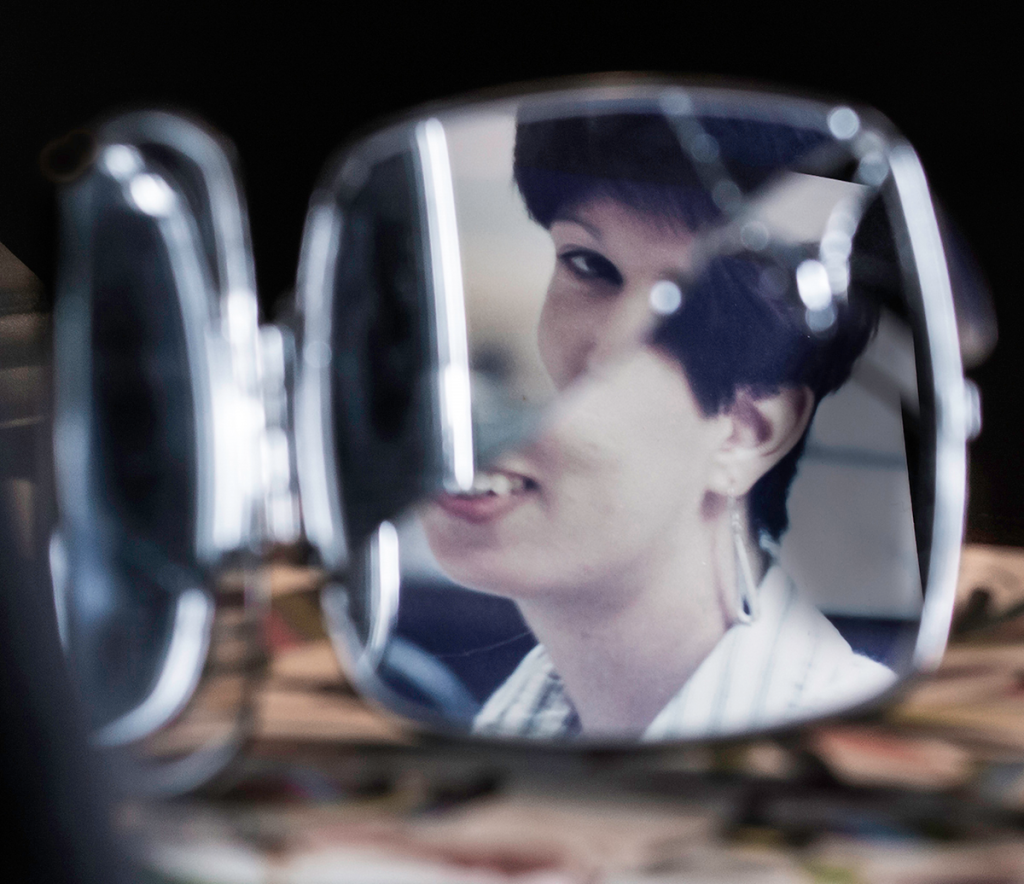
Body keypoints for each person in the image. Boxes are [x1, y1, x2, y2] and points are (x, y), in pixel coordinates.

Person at [420, 110, 896, 741]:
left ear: (746, 435)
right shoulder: (518, 720)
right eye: (588, 265)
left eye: (681, 310)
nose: (596, 356)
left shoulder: (852, 746)